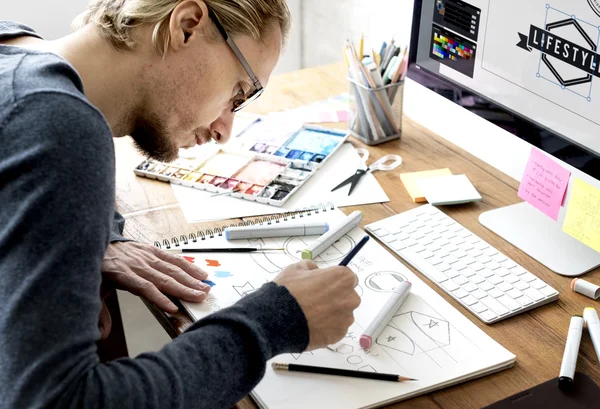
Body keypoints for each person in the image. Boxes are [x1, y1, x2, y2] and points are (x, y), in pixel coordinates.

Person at [0, 1, 361, 408]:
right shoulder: (56, 125)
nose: (225, 130)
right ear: (187, 26)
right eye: (238, 92)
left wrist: (97, 233)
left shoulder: (14, 49)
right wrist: (274, 321)